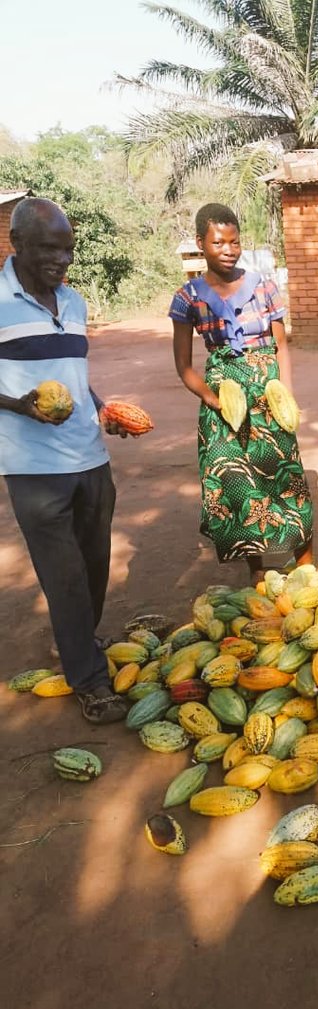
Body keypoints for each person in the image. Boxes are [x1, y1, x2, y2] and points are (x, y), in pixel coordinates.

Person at [0, 198, 131, 723]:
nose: (62, 260)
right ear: (17, 245)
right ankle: (91, 681)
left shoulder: (73, 302)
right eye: (50, 248)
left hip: (89, 456)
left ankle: (76, 640)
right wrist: (18, 406)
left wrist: (104, 409)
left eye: (69, 249)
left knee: (95, 563)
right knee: (65, 576)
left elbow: (72, 371)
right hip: (32, 467)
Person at [169, 204, 313, 583]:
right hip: (224, 394)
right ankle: (257, 569)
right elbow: (184, 366)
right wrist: (213, 401)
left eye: (234, 242)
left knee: (286, 473)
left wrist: (287, 395)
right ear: (201, 243)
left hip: (269, 391)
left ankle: (305, 562)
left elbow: (281, 346)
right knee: (234, 478)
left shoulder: (264, 286)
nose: (229, 249)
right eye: (219, 242)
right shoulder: (187, 298)